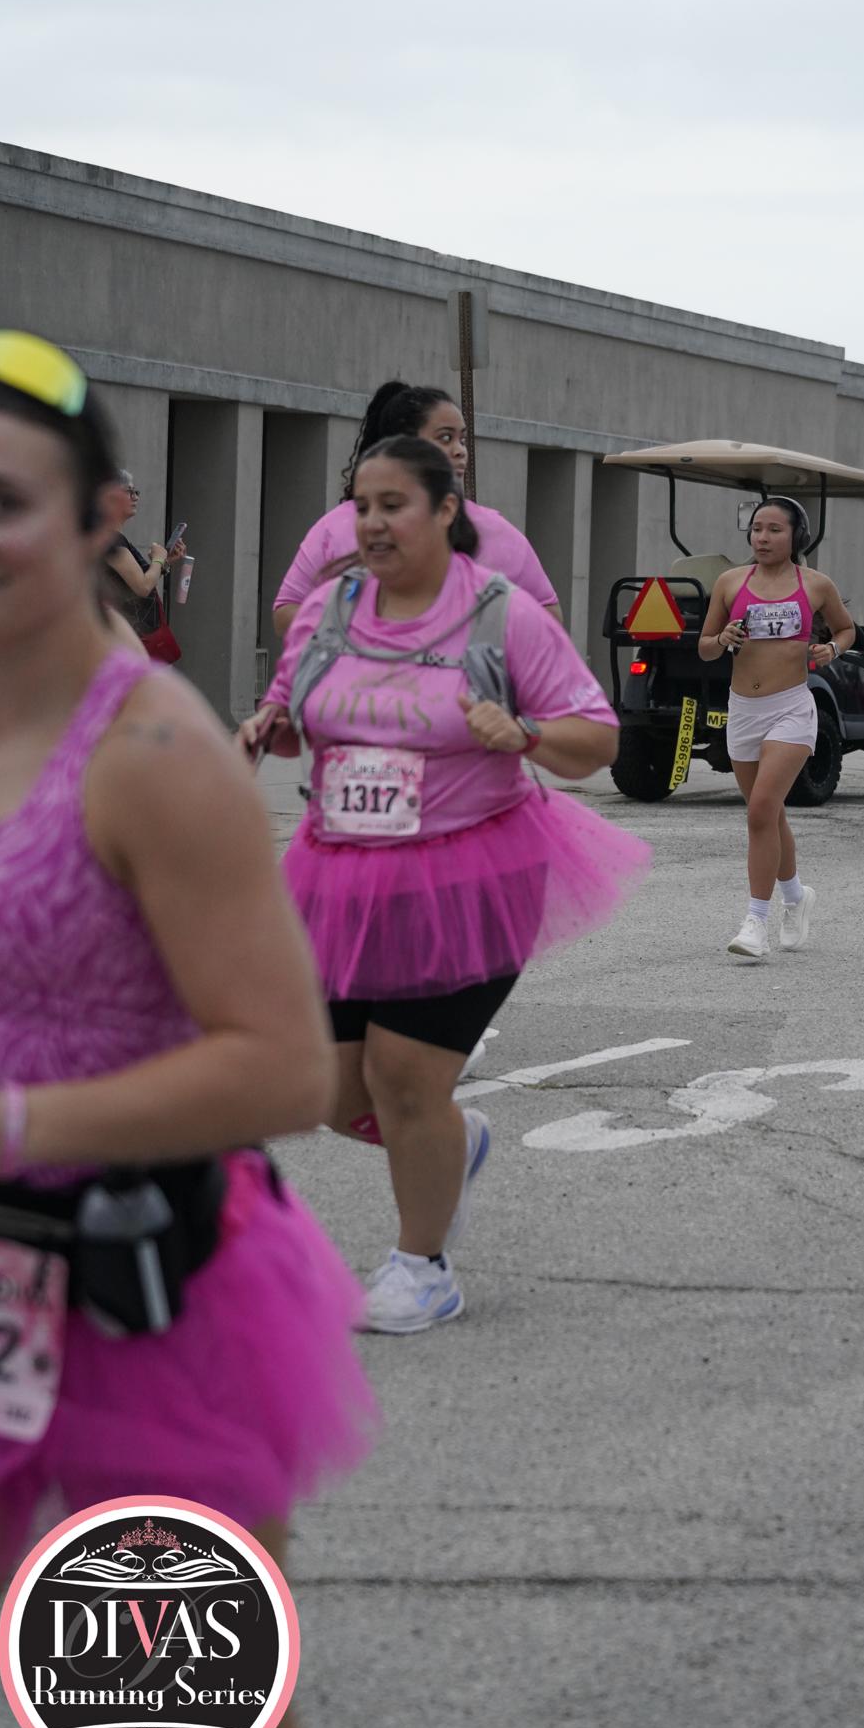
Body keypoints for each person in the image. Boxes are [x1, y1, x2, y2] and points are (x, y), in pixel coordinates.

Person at [0, 331, 375, 1728]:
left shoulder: (152, 749)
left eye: (1, 501)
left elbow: (282, 1066)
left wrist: (5, 1126)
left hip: (145, 1293)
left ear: (102, 520)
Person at [243, 433, 648, 1334]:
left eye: (394, 505)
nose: (373, 523)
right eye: (362, 506)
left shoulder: (501, 615)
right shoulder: (329, 609)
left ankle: (422, 1267)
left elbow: (596, 736)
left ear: (445, 511)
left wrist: (524, 736)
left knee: (404, 1077)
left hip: (471, 873)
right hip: (337, 874)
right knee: (328, 1090)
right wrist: (268, 725)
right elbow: (294, 707)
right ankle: (450, 1142)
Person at [272, 382, 561, 639]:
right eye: (445, 438)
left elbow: (548, 616)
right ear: (404, 446)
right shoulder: (335, 528)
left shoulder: (495, 532)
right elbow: (287, 610)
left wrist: (475, 641)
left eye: (461, 439)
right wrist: (358, 640)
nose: (460, 450)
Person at [697, 498, 856, 959]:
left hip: (791, 709)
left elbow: (846, 630)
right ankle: (796, 896)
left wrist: (831, 650)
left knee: (761, 810)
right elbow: (705, 648)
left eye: (774, 530)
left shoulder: (816, 584)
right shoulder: (730, 582)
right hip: (743, 711)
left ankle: (755, 922)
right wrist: (722, 638)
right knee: (769, 815)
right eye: (756, 529)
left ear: (796, 536)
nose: (762, 538)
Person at [104, 468, 184, 637]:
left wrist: (164, 562)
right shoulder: (111, 542)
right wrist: (158, 560)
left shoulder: (113, 539)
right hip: (123, 635)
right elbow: (143, 587)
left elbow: (137, 580)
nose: (135, 497)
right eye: (129, 492)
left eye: (136, 492)